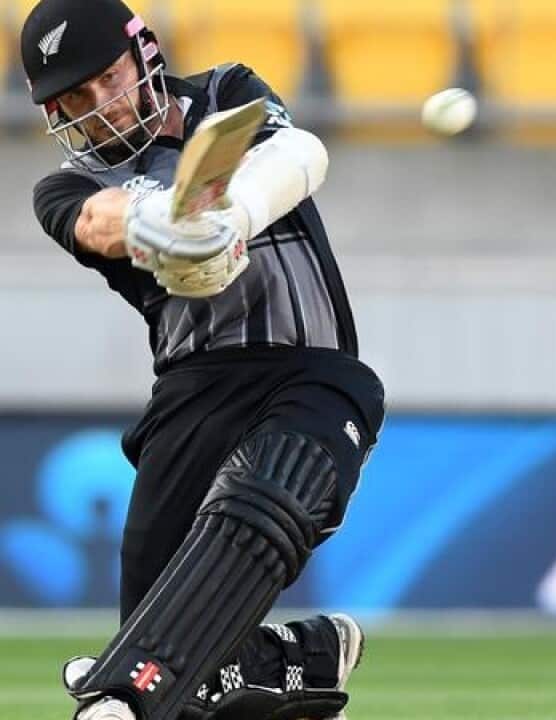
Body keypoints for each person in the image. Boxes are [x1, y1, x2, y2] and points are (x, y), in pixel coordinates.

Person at [20, 0, 386, 718]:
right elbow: (101, 222)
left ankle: (138, 691)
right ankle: (296, 660)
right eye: (75, 100)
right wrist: (165, 228)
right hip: (192, 393)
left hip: (310, 369)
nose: (100, 106)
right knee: (173, 657)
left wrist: (229, 218)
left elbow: (300, 154)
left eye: (107, 78)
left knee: (266, 496)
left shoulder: (223, 95)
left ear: (144, 53)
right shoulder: (66, 188)